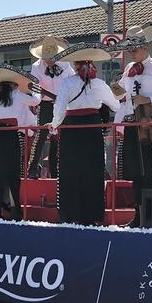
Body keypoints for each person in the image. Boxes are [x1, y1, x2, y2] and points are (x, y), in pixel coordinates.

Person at [49, 43, 120, 224]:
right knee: (93, 169)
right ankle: (94, 214)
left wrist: (54, 125)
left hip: (71, 127)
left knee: (70, 170)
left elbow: (60, 110)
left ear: (75, 65)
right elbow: (115, 106)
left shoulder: (66, 83)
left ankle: (70, 214)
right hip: (93, 126)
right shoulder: (100, 83)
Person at [113, 25, 152, 222]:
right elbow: (122, 93)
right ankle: (137, 214)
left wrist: (149, 100)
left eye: (134, 50)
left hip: (149, 121)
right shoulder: (129, 69)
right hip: (131, 123)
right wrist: (116, 91)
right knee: (133, 170)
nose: (131, 53)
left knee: (150, 169)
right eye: (129, 50)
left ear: (145, 48)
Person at [0, 64, 40, 219]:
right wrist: (37, 90)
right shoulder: (17, 94)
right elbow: (35, 101)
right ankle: (16, 211)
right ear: (14, 84)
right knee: (13, 173)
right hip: (11, 135)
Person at [27, 35, 73, 178]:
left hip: (63, 104)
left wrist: (63, 99)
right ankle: (32, 169)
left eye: (52, 56)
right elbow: (35, 88)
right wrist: (38, 98)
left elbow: (72, 84)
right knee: (41, 135)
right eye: (46, 57)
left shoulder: (66, 65)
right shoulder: (36, 67)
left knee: (58, 138)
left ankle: (56, 171)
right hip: (46, 104)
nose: (49, 60)